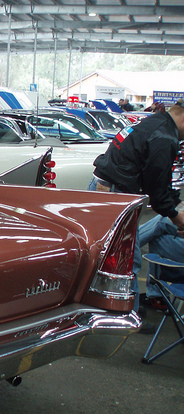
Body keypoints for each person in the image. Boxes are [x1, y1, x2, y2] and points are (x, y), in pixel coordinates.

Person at [89, 98, 184, 313]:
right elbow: (157, 188)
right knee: (128, 263)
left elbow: (160, 179)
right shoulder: (164, 137)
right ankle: (128, 315)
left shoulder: (155, 123)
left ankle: (126, 307)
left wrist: (174, 207)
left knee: (125, 256)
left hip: (110, 189)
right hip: (115, 196)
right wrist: (174, 215)